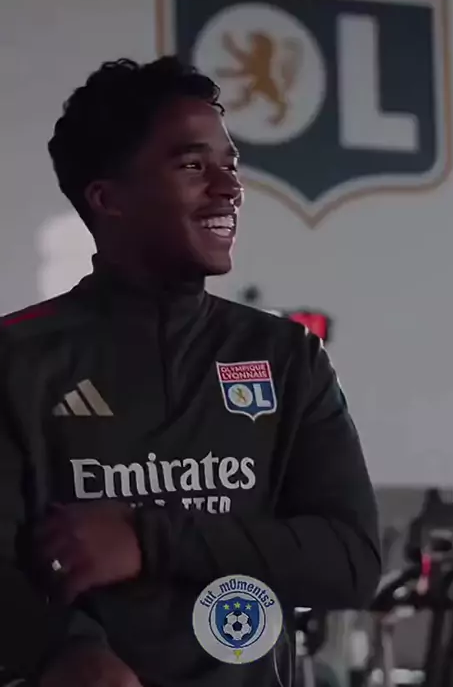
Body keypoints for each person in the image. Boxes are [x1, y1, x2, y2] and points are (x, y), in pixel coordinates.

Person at [0, 57, 380, 687]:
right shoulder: (18, 360)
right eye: (193, 166)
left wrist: (147, 539)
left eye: (230, 165)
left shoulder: (286, 356)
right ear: (108, 199)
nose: (229, 188)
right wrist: (62, 652)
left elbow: (351, 561)